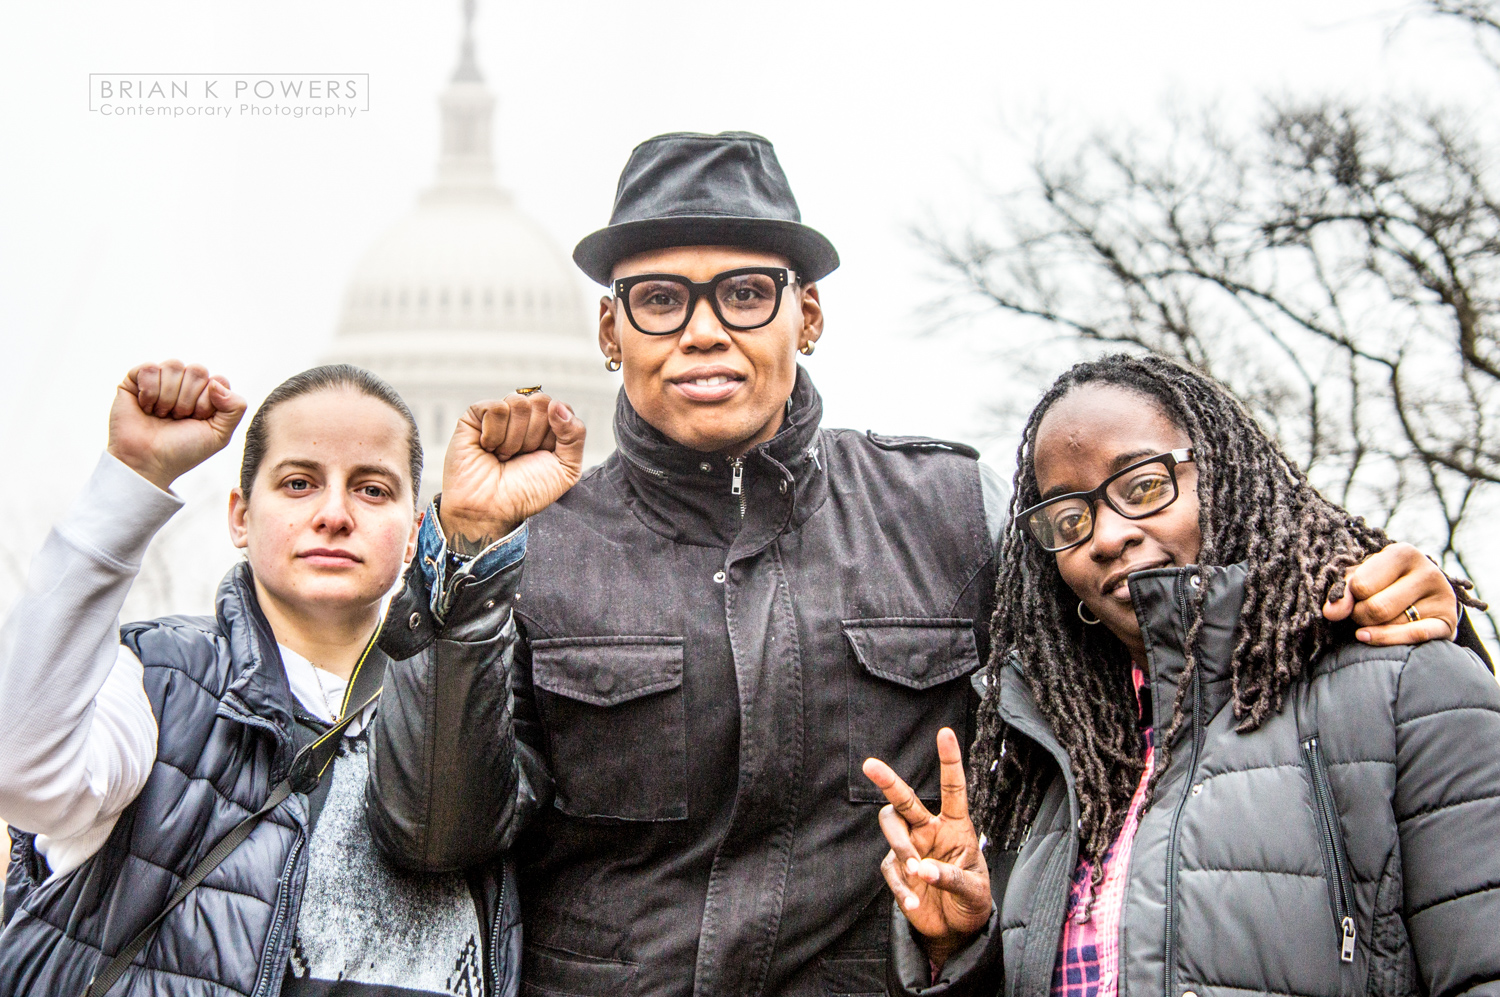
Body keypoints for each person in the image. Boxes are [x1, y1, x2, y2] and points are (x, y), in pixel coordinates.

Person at [365, 133, 1467, 997]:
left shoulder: (951, 510)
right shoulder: (533, 547)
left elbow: (1157, 658)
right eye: (661, 300)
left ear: (808, 314)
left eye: (744, 294)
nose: (703, 332)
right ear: (611, 332)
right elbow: (436, 832)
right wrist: (463, 563)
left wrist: (1386, 608)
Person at [865, 353, 1500, 997]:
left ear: (1223, 476)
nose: (1106, 537)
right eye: (1068, 519)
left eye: (1142, 486)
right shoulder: (1053, 764)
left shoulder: (1403, 687)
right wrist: (960, 948)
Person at [0, 360, 584, 996]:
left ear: (417, 534)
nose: (333, 514)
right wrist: (132, 480)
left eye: (373, 490)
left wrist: (473, 539)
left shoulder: (481, 713)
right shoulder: (156, 679)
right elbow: (22, 774)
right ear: (240, 517)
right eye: (300, 483)